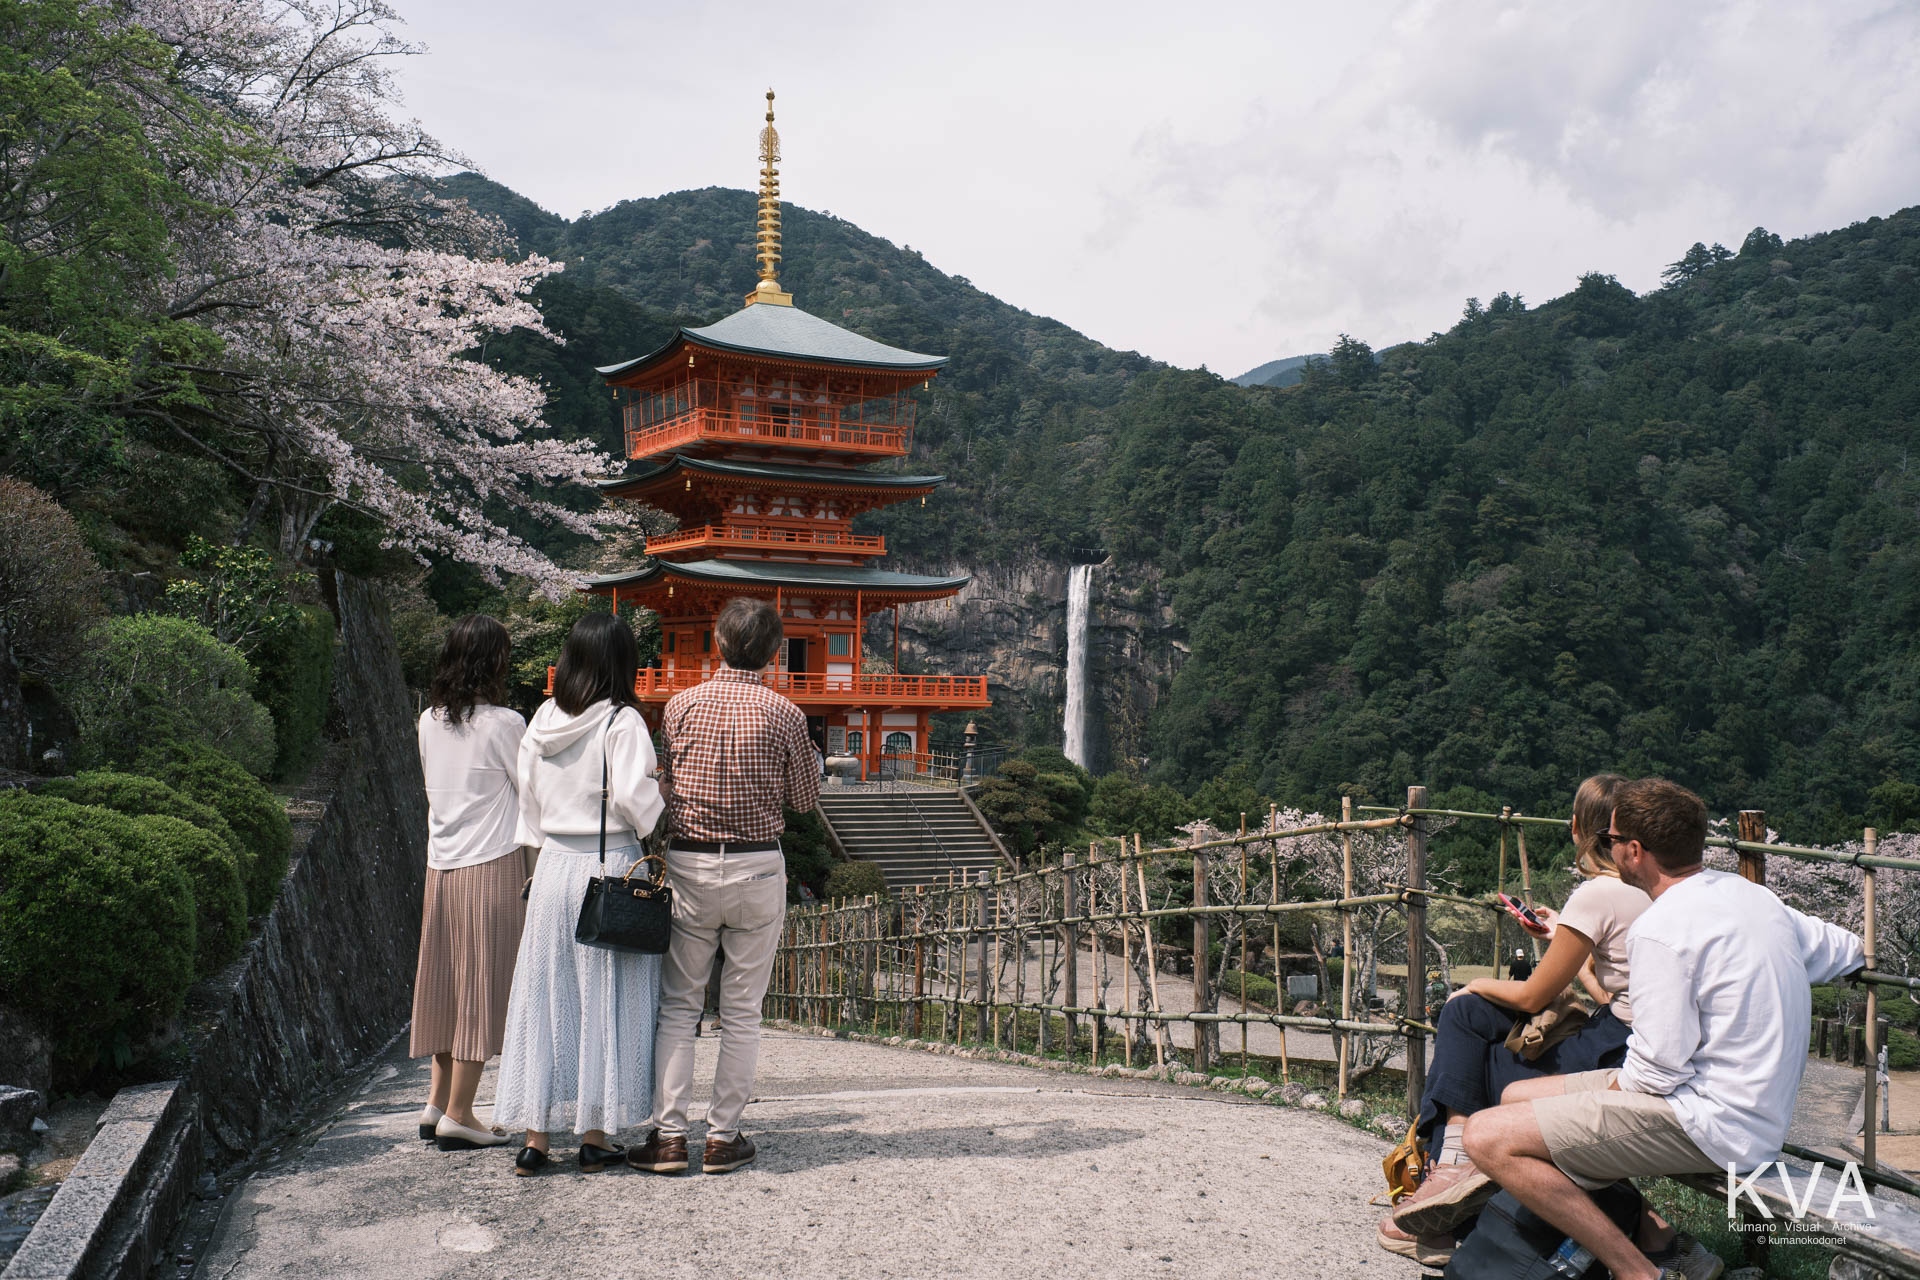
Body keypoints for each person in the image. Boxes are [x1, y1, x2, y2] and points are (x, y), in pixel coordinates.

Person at [1451, 778, 1864, 1280]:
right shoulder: (1754, 899)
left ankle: (1636, 1271)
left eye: (1610, 840)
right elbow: (1848, 948)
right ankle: (1635, 1233)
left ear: (1634, 851)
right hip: (1746, 1108)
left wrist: (1591, 1099)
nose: (1607, 848)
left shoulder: (1661, 930)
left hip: (1710, 1123)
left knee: (1488, 1135)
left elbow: (1655, 1072)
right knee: (1517, 1095)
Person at [1382, 774, 1648, 1263]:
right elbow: (1614, 992)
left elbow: (1531, 998)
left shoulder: (1598, 894)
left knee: (1467, 1023)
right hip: (1629, 1037)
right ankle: (1449, 1188)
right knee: (1475, 1037)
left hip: (1618, 1049)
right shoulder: (1646, 889)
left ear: (1577, 828)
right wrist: (1563, 939)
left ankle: (1448, 1179)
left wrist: (1474, 985)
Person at [628, 598, 821, 1176]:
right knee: (742, 1011)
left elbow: (664, 781)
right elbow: (806, 801)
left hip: (688, 864)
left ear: (717, 642)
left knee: (678, 1007)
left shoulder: (681, 705)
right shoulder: (785, 713)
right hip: (758, 867)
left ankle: (667, 1138)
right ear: (775, 651)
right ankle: (722, 1137)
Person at [492, 613, 665, 1176]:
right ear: (622, 662)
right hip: (609, 862)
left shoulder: (541, 719)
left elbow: (530, 805)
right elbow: (641, 805)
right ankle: (595, 1131)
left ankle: (535, 1137)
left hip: (552, 869)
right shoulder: (622, 721)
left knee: (548, 996)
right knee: (606, 996)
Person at [410, 615, 527, 1150]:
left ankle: (435, 1105)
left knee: (446, 982)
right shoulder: (506, 724)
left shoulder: (428, 720)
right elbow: (533, 799)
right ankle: (462, 1112)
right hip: (491, 865)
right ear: (493, 662)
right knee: (481, 987)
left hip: (441, 866)